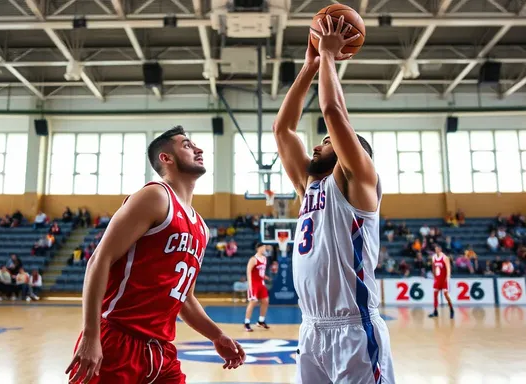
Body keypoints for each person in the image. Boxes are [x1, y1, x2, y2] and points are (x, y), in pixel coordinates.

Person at [66, 127, 246, 384]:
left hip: (161, 351)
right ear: (166, 158)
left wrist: (216, 335)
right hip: (116, 341)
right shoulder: (155, 196)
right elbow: (99, 260)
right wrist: (91, 336)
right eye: (187, 145)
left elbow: (185, 298)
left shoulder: (202, 228)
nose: (199, 149)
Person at [272, 15, 394, 383]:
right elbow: (284, 129)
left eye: (325, 142)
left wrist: (327, 54)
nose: (315, 144)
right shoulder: (309, 187)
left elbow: (333, 112)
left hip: (355, 330)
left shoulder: (359, 181)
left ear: (347, 152)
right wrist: (309, 65)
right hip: (311, 330)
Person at [244, 243, 271, 332]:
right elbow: (248, 271)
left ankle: (261, 321)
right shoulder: (253, 259)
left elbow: (260, 272)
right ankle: (246, 323)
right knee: (253, 302)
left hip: (261, 283)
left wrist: (265, 277)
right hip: (254, 284)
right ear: (258, 248)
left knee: (265, 301)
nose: (264, 248)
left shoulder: (264, 259)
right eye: (263, 247)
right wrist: (250, 284)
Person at [429, 246, 454, 319]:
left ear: (440, 249)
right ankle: (435, 311)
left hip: (444, 279)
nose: (436, 250)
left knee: (446, 295)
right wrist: (434, 277)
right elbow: (433, 267)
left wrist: (447, 279)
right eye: (435, 249)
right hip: (437, 279)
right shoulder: (433, 257)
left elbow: (448, 269)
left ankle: (451, 310)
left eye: (437, 249)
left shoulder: (445, 258)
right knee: (435, 294)